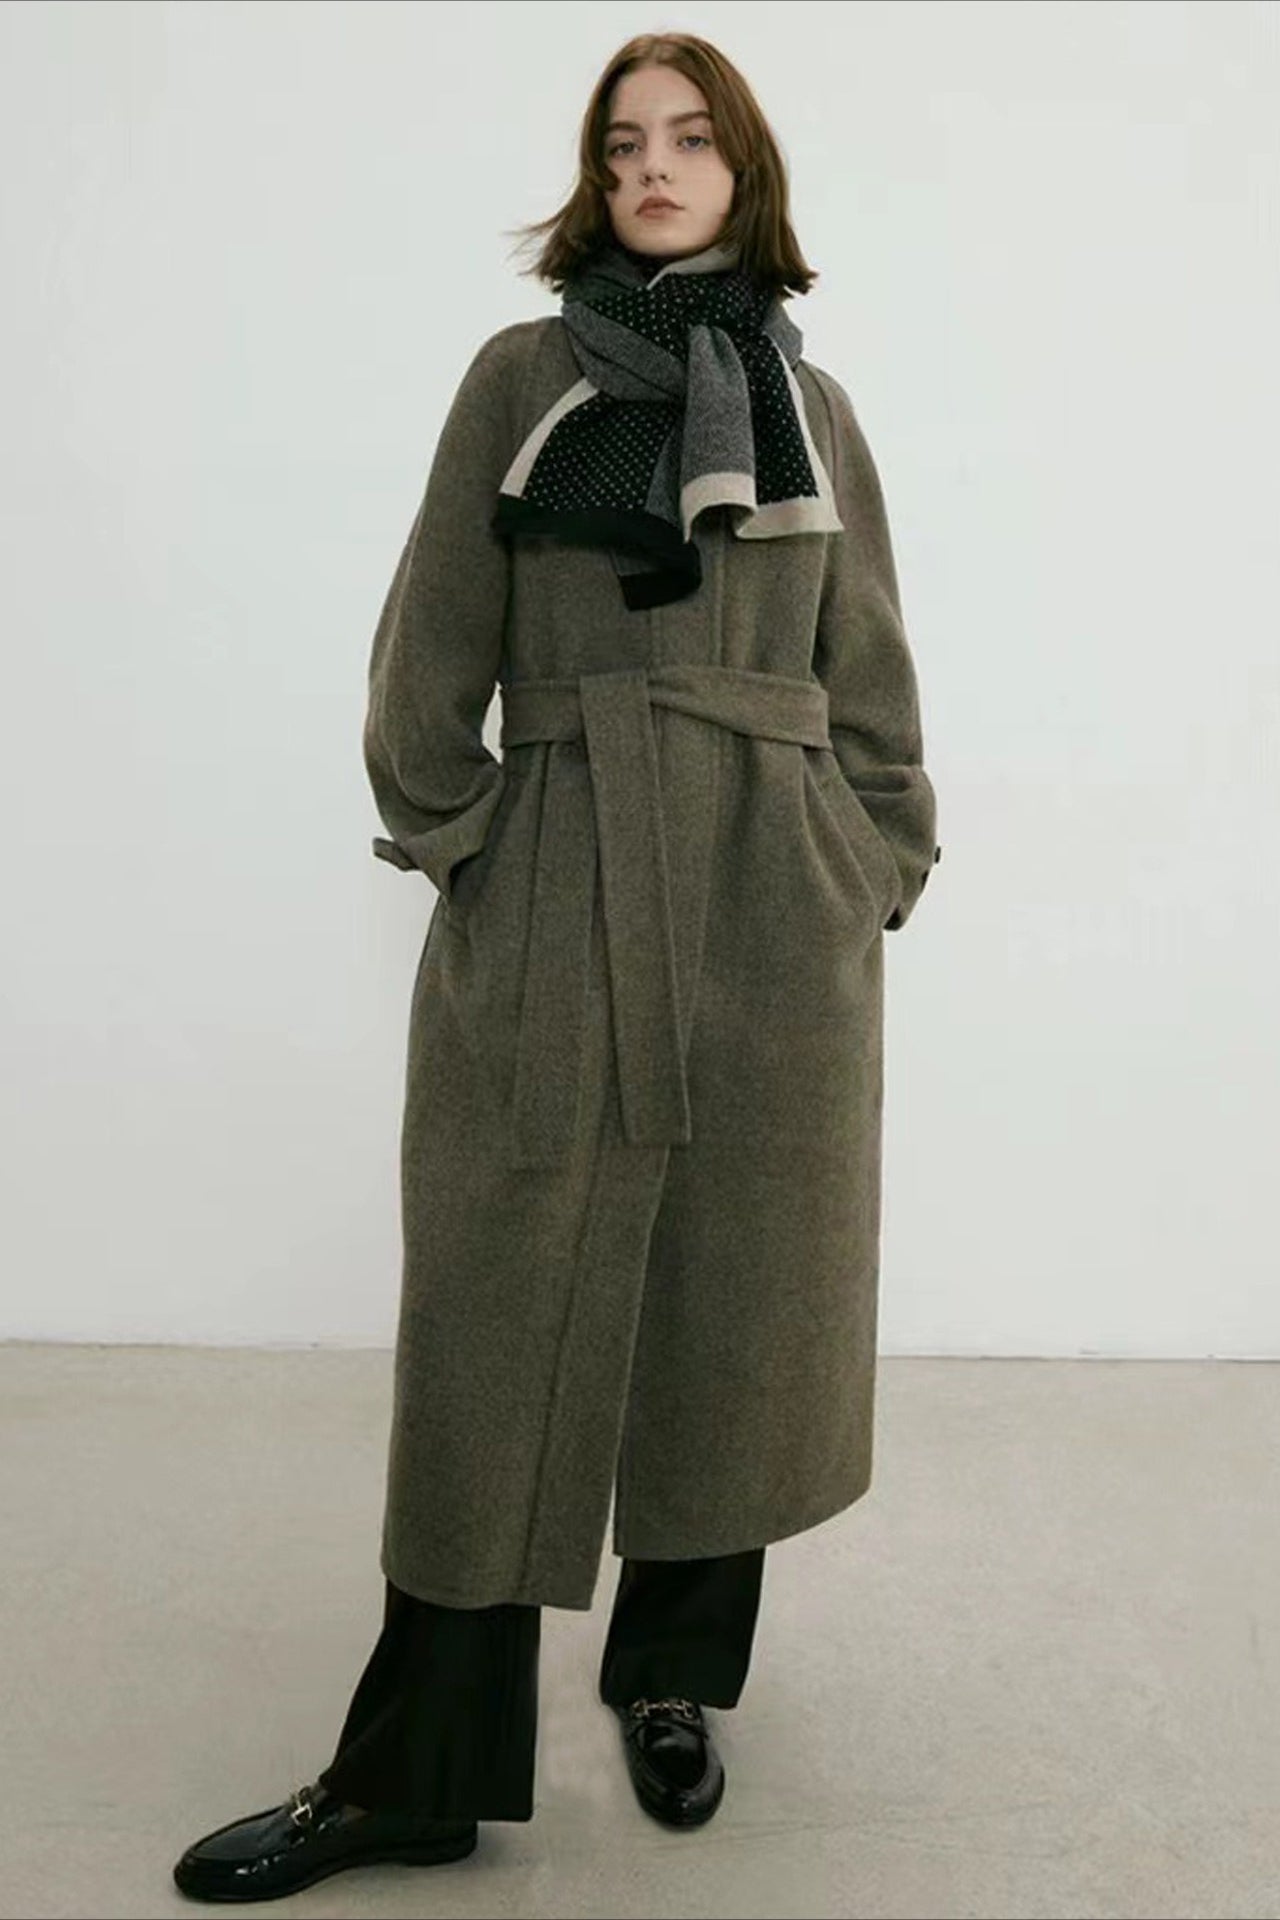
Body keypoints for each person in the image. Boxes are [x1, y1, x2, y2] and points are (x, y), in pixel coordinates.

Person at [172, 27, 940, 1904]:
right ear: (594, 181)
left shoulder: (811, 405)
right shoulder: (524, 377)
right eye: (621, 146)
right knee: (498, 1312)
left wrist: (872, 858)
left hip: (773, 899)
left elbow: (867, 665)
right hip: (568, 870)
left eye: (689, 139)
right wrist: (472, 844)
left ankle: (671, 1679)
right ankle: (416, 1770)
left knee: (734, 1304)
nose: (653, 169)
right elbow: (428, 645)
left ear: (745, 171)